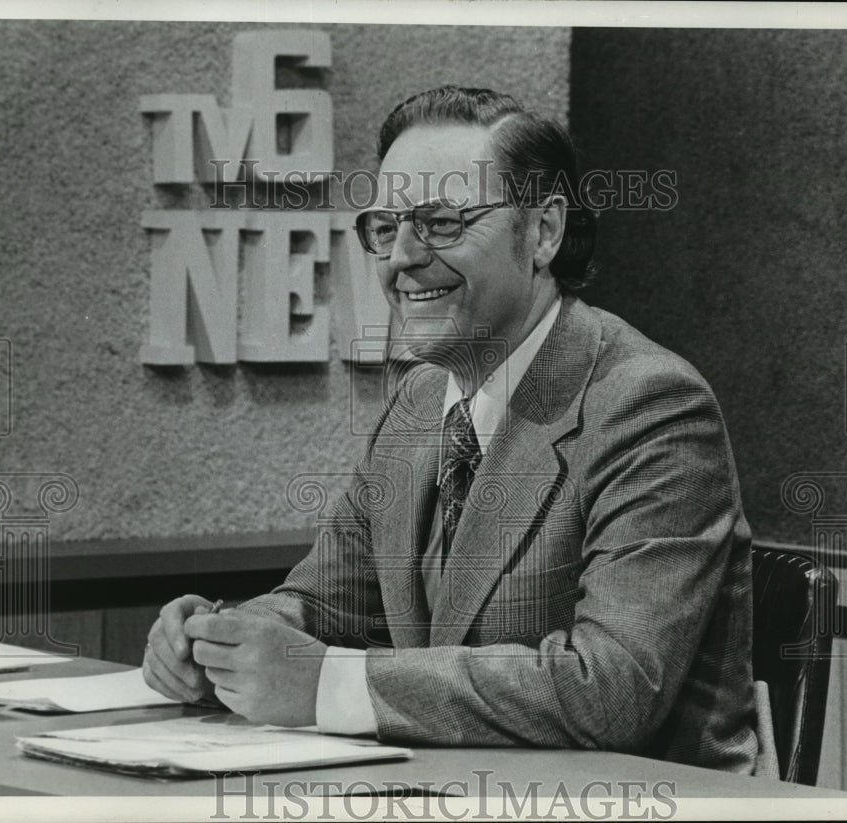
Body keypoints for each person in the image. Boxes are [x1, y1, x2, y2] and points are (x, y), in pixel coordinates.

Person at [143, 86, 765, 774]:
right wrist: (222, 638)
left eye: (441, 222)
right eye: (386, 226)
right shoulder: (419, 401)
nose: (402, 256)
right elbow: (322, 601)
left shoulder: (651, 405)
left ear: (543, 233)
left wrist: (329, 684)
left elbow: (612, 686)